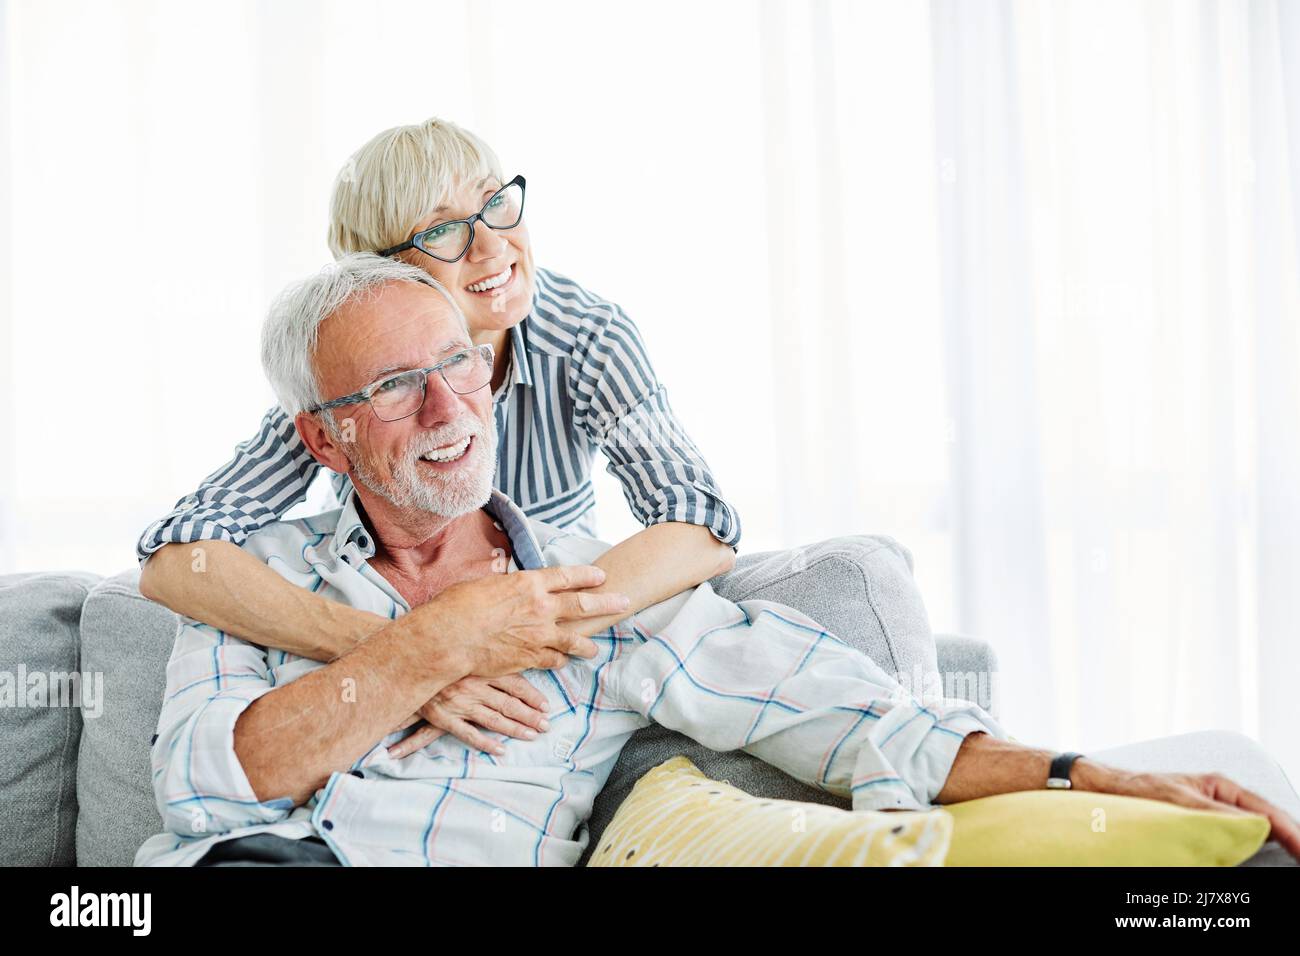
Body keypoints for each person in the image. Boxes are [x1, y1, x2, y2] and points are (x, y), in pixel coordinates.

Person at [137, 256, 1300, 867]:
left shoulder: (607, 592)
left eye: (458, 364)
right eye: (395, 385)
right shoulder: (262, 582)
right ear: (321, 434)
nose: (448, 405)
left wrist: (1094, 773)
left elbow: (866, 725)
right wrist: (430, 643)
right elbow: (204, 781)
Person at [134, 117, 939, 754]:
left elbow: (699, 523)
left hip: (537, 676)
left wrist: (512, 628)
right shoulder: (352, 380)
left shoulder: (584, 335)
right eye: (444, 231)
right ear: (381, 277)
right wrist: (417, 646)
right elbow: (177, 554)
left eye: (495, 204)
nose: (493, 246)